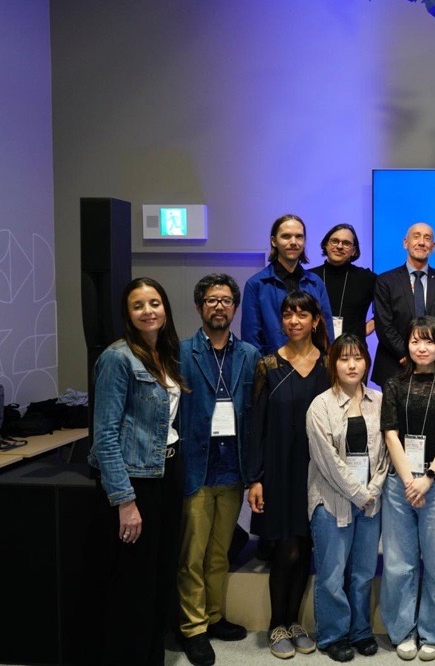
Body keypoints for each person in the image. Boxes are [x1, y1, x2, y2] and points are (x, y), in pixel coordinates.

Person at [89, 277, 188, 665]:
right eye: (138, 305)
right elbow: (104, 435)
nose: (148, 311)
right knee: (134, 583)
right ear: (127, 314)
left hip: (168, 472)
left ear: (165, 308)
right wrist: (125, 500)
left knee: (161, 576)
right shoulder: (117, 358)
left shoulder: (165, 352)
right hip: (136, 481)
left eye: (154, 303)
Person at [177, 274, 261, 666]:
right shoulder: (181, 353)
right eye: (211, 300)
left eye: (226, 300)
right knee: (192, 554)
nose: (219, 306)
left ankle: (213, 616)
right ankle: (192, 628)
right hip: (197, 463)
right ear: (199, 306)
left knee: (219, 552)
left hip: (232, 465)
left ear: (235, 307)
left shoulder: (249, 355)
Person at [244, 291, 330, 659]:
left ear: (315, 320)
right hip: (278, 471)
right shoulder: (267, 365)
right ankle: (277, 624)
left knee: (306, 545)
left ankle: (295, 622)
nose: (294, 321)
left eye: (302, 314)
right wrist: (255, 478)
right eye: (288, 314)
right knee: (285, 549)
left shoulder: (329, 364)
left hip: (317, 472)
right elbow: (256, 425)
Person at [379, 317, 435, 661]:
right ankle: (402, 630)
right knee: (399, 562)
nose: (422, 348)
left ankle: (433, 632)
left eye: (428, 341)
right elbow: (390, 433)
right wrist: (409, 479)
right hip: (400, 483)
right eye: (415, 341)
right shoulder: (394, 384)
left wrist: (427, 476)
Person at [307, 334, 389, 662]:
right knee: (331, 574)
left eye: (358, 358)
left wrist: (373, 490)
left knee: (363, 572)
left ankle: (360, 631)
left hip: (369, 502)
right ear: (333, 364)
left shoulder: (379, 401)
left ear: (367, 362)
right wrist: (358, 493)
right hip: (332, 501)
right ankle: (333, 635)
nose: (352, 365)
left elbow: (386, 453)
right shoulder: (320, 406)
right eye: (344, 358)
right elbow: (327, 460)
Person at [372, 223, 435, 388]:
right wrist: (407, 353)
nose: (421, 242)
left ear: (433, 247)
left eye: (427, 238)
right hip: (395, 364)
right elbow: (384, 325)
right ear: (405, 242)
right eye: (416, 236)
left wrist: (431, 354)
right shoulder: (386, 281)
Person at [242, 214, 335, 354]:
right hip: (272, 364)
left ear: (304, 241)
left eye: (299, 236)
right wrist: (265, 366)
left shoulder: (316, 283)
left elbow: (327, 332)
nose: (293, 242)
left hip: (314, 363)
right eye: (286, 236)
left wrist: (327, 360)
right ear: (274, 241)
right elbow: (251, 339)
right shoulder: (256, 284)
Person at [309, 223, 377, 341]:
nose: (339, 246)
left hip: (353, 348)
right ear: (326, 245)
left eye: (346, 243)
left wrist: (365, 329)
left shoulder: (367, 278)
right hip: (314, 347)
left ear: (354, 250)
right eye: (334, 241)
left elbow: (389, 308)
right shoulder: (309, 277)